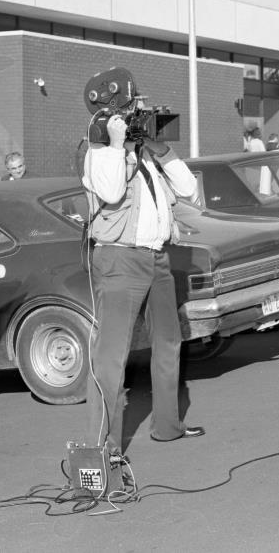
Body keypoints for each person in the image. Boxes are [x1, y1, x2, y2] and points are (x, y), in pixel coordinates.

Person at [81, 115, 204, 456]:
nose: (139, 123)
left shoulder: (149, 156)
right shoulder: (99, 153)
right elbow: (110, 191)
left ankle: (168, 426)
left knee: (168, 342)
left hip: (158, 257)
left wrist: (160, 148)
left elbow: (189, 189)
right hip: (120, 259)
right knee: (111, 356)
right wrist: (117, 144)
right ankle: (102, 450)